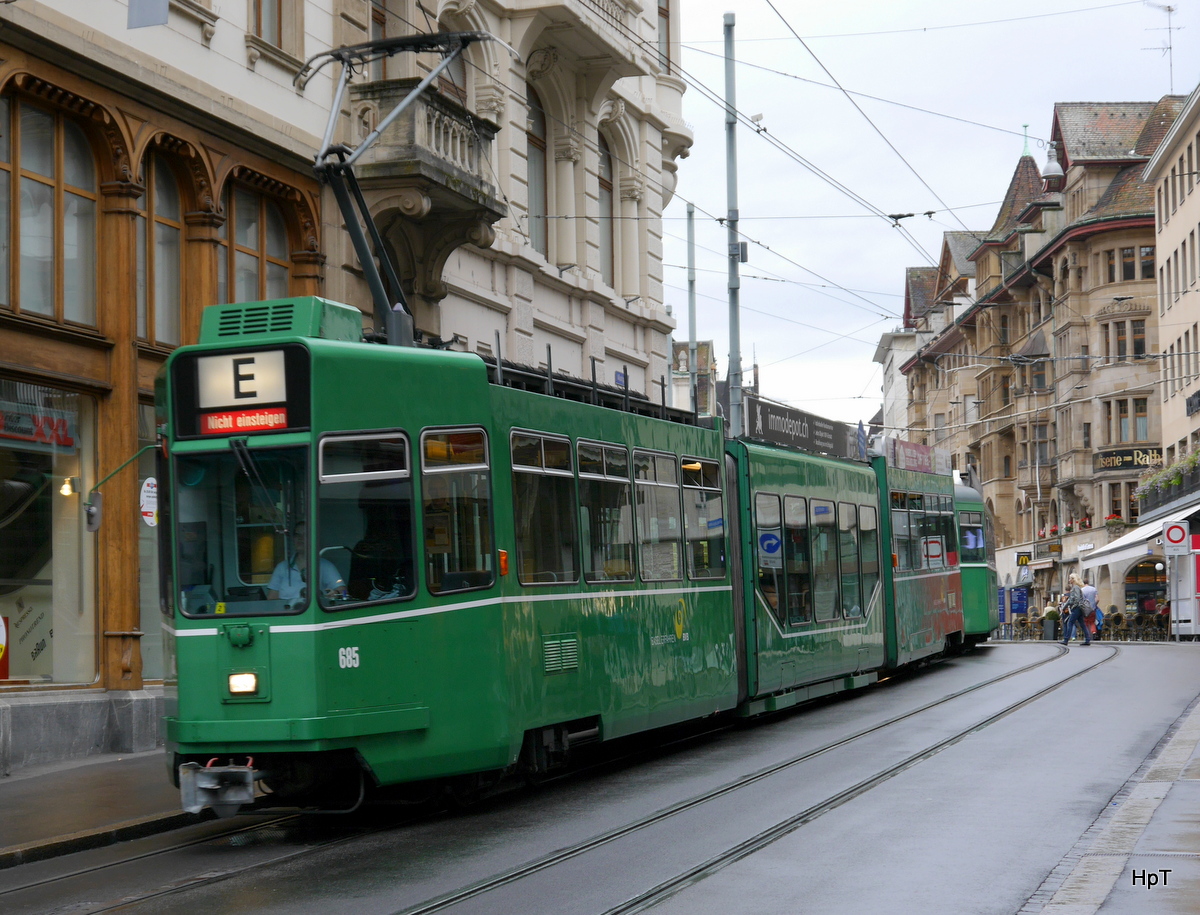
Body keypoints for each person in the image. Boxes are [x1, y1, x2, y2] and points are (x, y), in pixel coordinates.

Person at [267, 523, 346, 607]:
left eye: (305, 535)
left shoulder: (325, 566)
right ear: (293, 538)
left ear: (313, 538)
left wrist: (336, 593)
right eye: (297, 535)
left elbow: (344, 592)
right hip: (288, 615)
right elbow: (271, 599)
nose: (300, 538)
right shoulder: (282, 567)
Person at [1060, 572, 1092, 646]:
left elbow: (1074, 599)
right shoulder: (1076, 587)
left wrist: (1069, 605)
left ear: (1073, 579)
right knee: (1082, 624)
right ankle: (1087, 639)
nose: (1069, 580)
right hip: (1079, 608)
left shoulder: (1075, 587)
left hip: (1076, 608)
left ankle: (1066, 640)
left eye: (1070, 578)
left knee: (1070, 622)